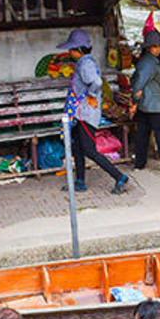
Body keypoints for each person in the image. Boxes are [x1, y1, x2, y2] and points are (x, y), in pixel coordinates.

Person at [59, 28, 130, 195]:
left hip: (85, 114)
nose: (70, 52)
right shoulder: (85, 62)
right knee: (77, 148)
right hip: (79, 113)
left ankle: (119, 177)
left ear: (79, 50)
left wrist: (91, 96)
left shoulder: (86, 64)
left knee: (89, 150)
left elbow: (96, 82)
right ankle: (80, 181)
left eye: (72, 49)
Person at [130, 31, 160, 172]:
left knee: (143, 134)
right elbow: (139, 83)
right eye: (159, 46)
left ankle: (139, 164)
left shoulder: (145, 60)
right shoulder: (149, 63)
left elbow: (135, 80)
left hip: (145, 104)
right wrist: (135, 97)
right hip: (154, 105)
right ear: (152, 47)